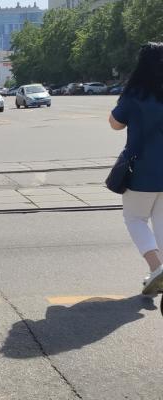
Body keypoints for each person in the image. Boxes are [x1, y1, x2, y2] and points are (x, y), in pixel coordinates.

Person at [109, 42, 163, 295]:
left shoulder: (136, 94)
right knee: (162, 222)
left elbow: (116, 124)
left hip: (142, 169)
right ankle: (158, 272)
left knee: (134, 218)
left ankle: (156, 267)